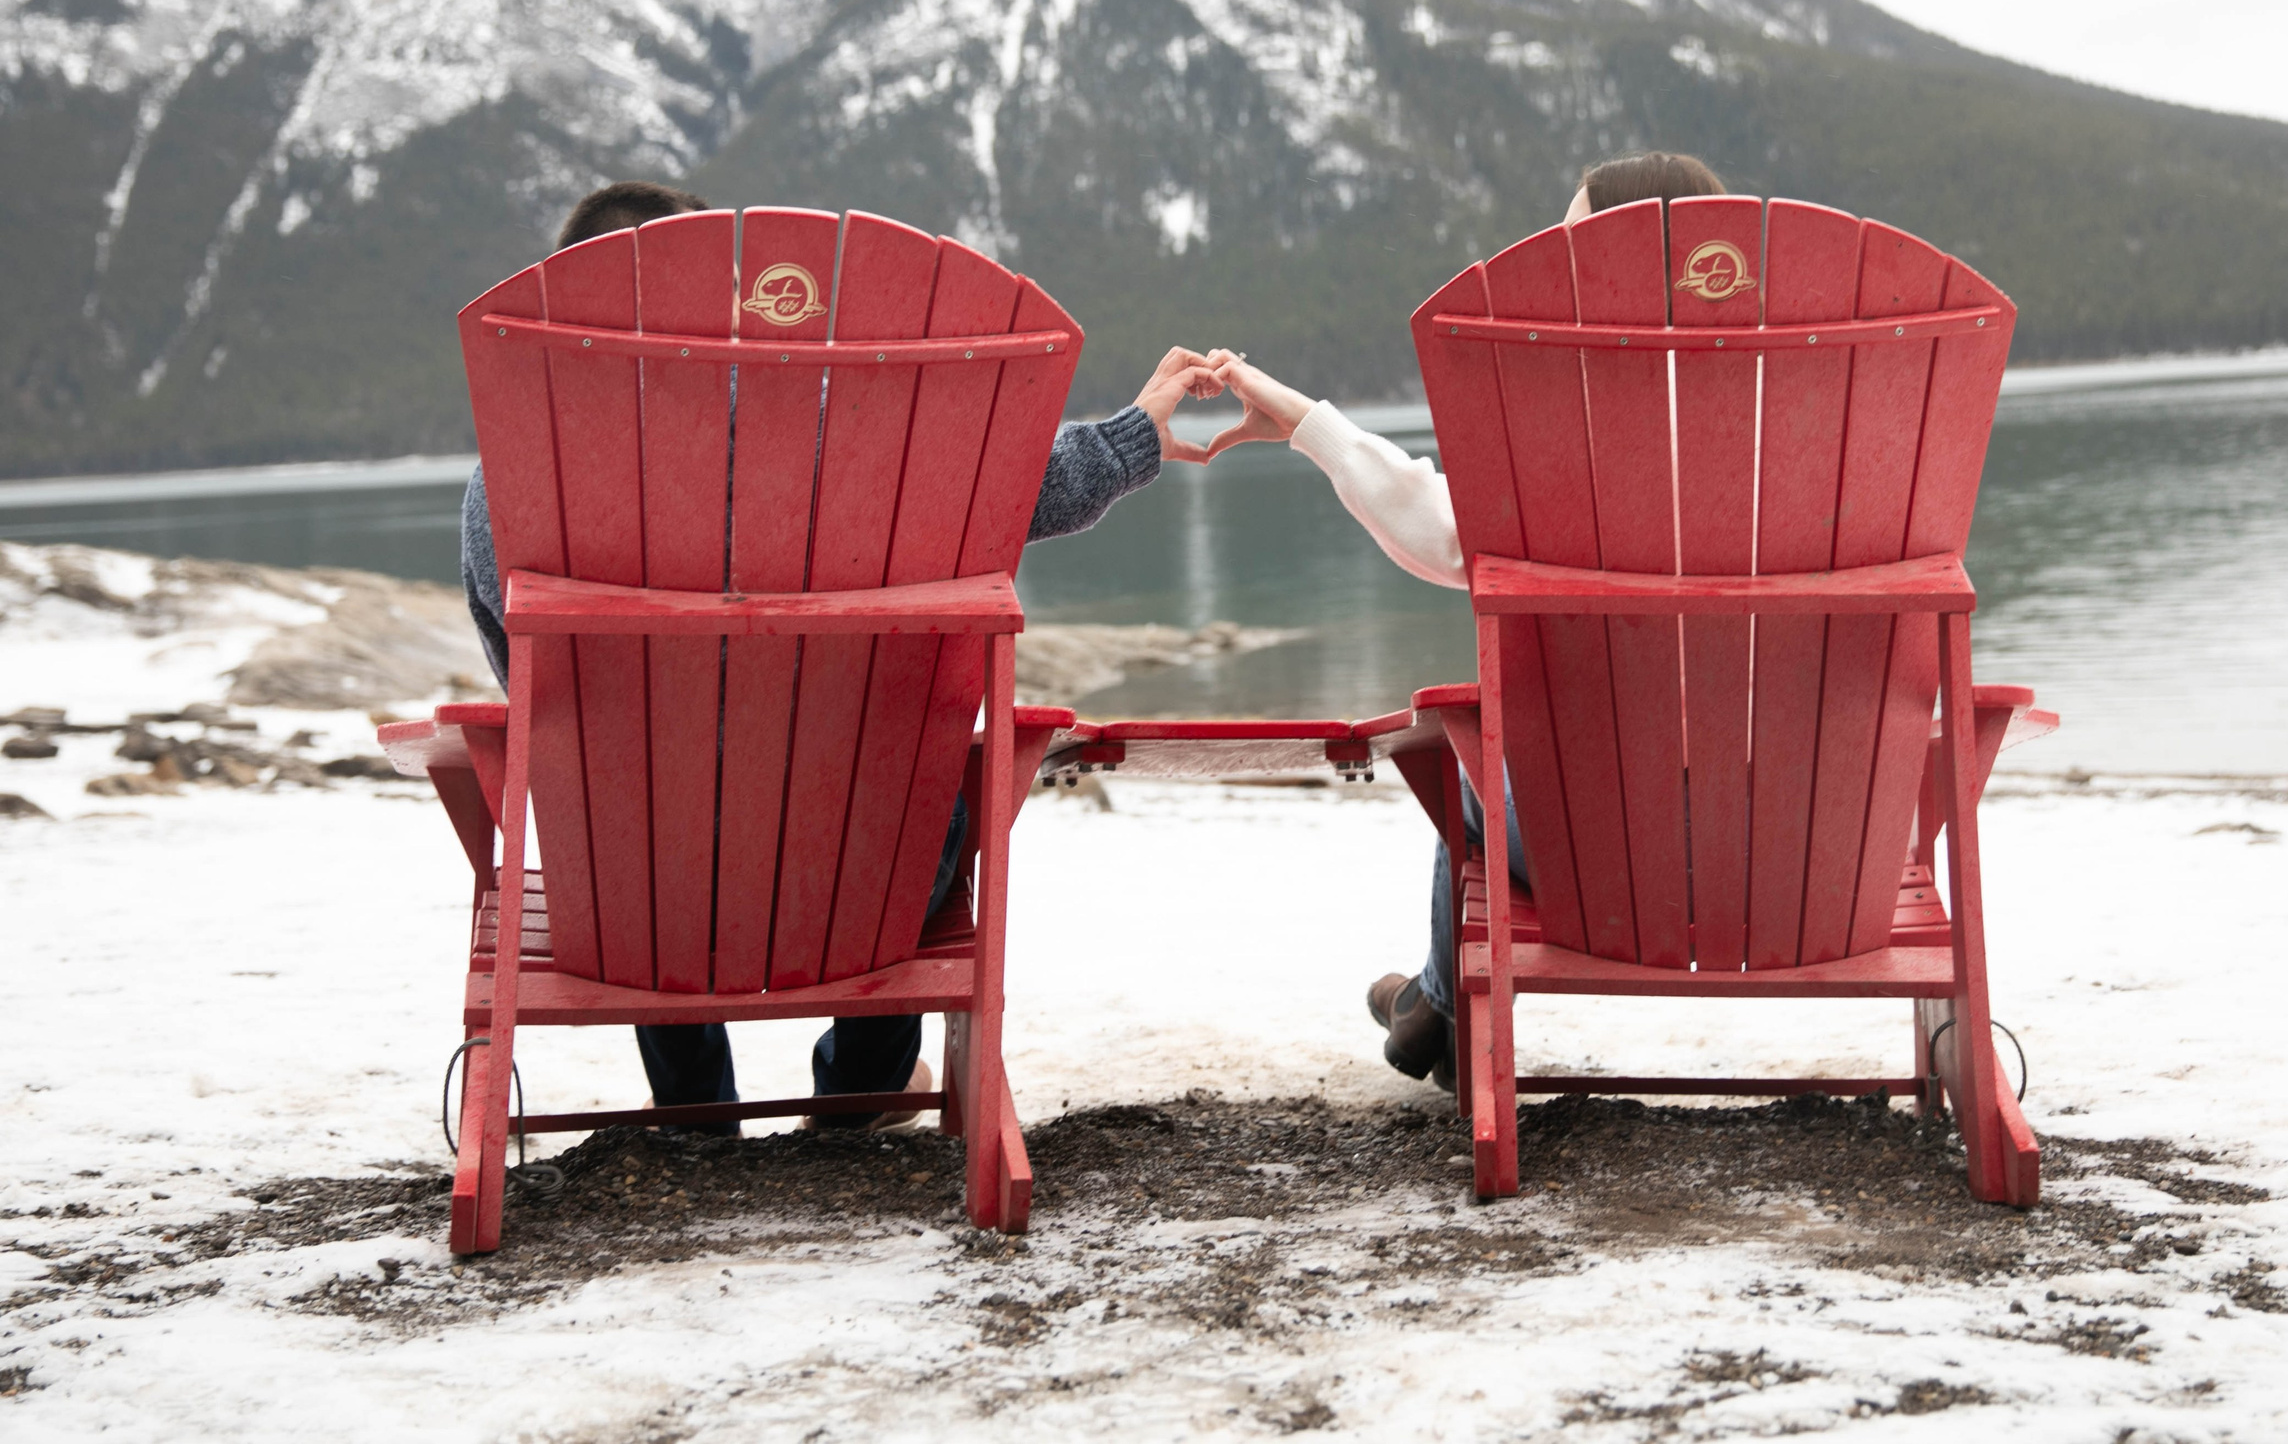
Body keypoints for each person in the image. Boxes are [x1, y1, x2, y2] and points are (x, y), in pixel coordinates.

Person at [459, 180, 1223, 1131]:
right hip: (858, 891)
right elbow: (1013, 488)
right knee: (924, 767)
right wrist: (1136, 431)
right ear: (723, 296)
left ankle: (694, 1101)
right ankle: (864, 1078)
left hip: (636, 908)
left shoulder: (505, 483)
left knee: (622, 779)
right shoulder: (840, 436)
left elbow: (519, 676)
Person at [1200, 151, 1727, 1090]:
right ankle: (1432, 1005)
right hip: (1803, 859)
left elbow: (1449, 534)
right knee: (1504, 753)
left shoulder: (1577, 433)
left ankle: (1437, 1005)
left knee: (1478, 752)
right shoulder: (1819, 440)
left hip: (1601, 863)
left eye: (1570, 251)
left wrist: (1309, 427)